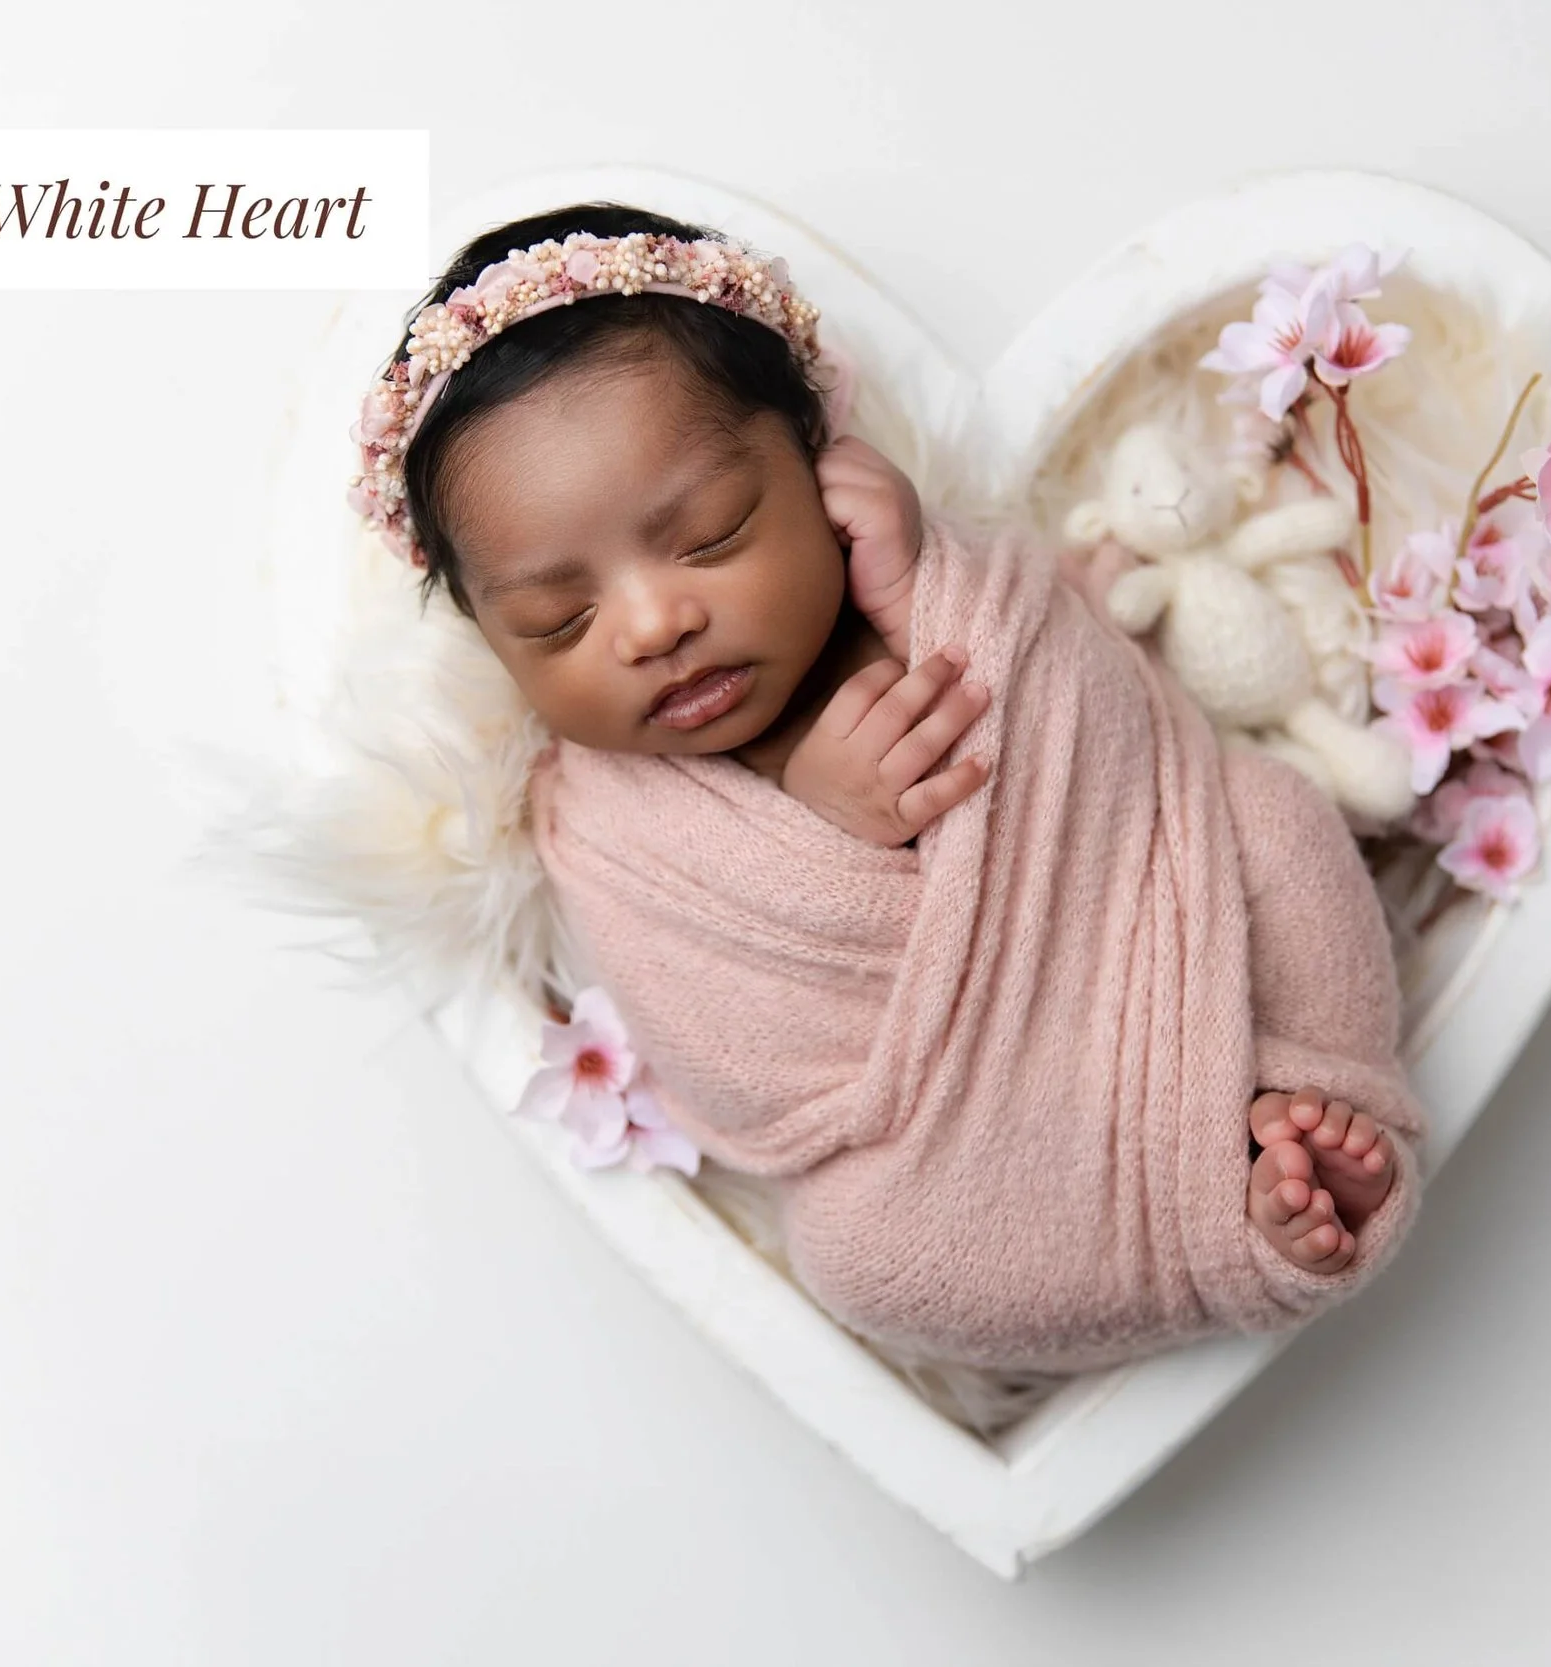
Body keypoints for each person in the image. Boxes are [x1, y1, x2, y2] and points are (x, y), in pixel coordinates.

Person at [349, 203, 1426, 1371]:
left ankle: (1313, 1094)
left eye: (710, 535)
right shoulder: (604, 827)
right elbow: (733, 1060)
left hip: (1170, 952)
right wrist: (833, 823)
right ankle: (1233, 1223)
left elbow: (1118, 741)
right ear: (496, 646)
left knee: (1271, 819)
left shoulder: (938, 594)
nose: (656, 622)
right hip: (956, 1160)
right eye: (560, 619)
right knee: (861, 1259)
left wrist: (921, 585)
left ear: (822, 470)